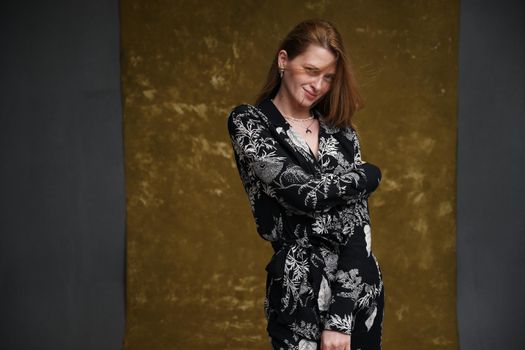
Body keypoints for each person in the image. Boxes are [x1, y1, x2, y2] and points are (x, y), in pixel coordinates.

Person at [226, 19, 384, 350]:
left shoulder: (342, 133)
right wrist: (368, 175)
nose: (319, 84)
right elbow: (303, 195)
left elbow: (358, 229)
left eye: (328, 77)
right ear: (284, 61)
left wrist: (341, 319)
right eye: (311, 70)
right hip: (297, 288)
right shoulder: (251, 123)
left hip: (355, 289)